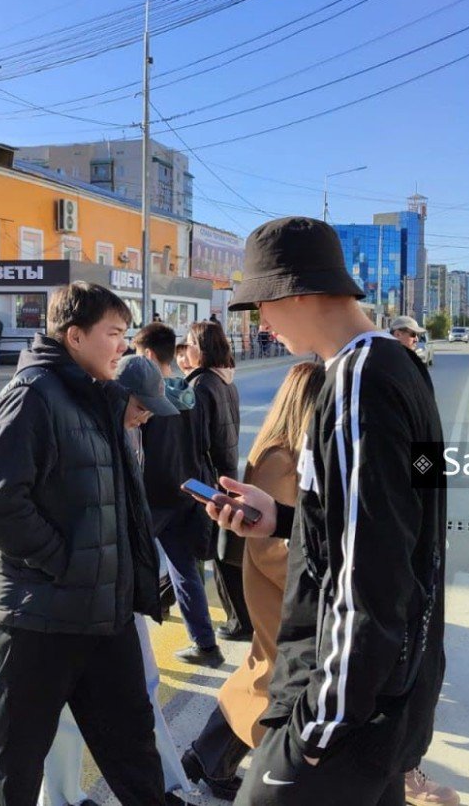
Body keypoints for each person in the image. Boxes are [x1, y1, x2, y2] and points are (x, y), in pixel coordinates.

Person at [203, 217, 447, 806]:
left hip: (342, 704)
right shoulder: (404, 368)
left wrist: (319, 726)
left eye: (262, 303)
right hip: (393, 689)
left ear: (300, 290)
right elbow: (411, 525)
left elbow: (374, 572)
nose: (259, 322)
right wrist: (287, 520)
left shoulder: (357, 380)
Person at [0, 282, 179, 806]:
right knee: (21, 756)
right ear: (74, 335)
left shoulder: (95, 395)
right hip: (41, 616)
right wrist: (64, 563)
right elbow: (0, 505)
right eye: (114, 334)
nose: (123, 346)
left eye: (126, 334)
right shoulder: (33, 395)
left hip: (103, 611)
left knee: (134, 743)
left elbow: (116, 500)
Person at [38, 355, 192, 805]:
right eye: (140, 407)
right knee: (73, 708)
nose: (144, 418)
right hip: (79, 596)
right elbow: (13, 508)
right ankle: (63, 797)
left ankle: (161, 787)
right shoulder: (74, 428)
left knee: (139, 692)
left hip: (117, 590)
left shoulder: (127, 433)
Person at [183, 361, 325, 801]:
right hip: (279, 589)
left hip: (281, 588)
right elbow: (271, 548)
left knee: (260, 678)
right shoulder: (280, 458)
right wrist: (319, 582)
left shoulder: (288, 450)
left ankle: (208, 757)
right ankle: (253, 770)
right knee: (272, 683)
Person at [133, 322, 222, 667]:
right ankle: (205, 644)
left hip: (154, 496)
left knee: (130, 570)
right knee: (185, 571)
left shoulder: (147, 393)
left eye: (139, 355)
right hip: (188, 491)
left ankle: (128, 655)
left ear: (151, 355)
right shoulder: (191, 390)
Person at [186, 320, 250, 641]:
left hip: (208, 481)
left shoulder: (201, 386)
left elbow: (196, 443)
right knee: (222, 551)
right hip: (226, 474)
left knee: (213, 554)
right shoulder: (228, 382)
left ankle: (239, 622)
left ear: (201, 348)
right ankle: (240, 618)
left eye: (188, 344)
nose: (185, 350)